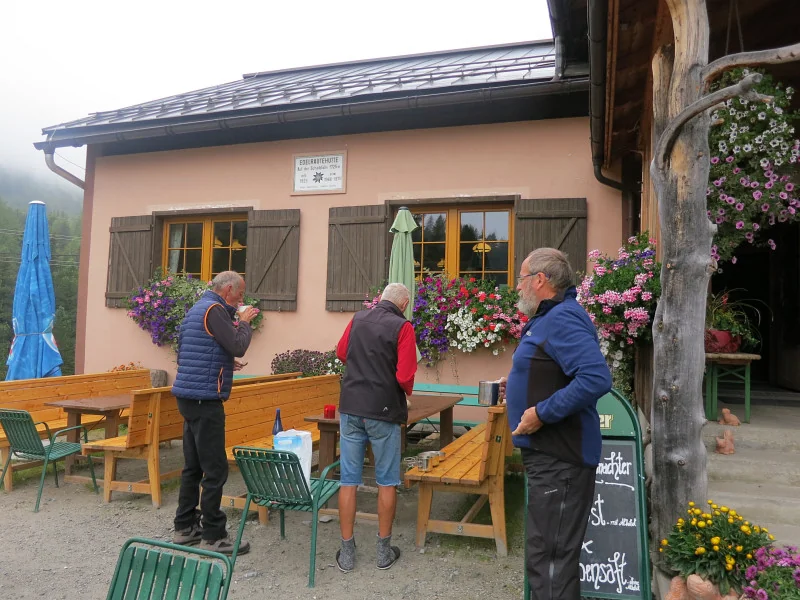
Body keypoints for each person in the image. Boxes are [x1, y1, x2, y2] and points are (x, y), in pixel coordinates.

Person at [502, 248, 612, 600]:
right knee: (548, 558)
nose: (517, 286)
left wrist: (541, 413)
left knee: (550, 562)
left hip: (560, 461)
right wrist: (519, 383)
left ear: (540, 280)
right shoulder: (551, 316)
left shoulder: (562, 317)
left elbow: (595, 378)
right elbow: (553, 369)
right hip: (552, 460)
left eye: (521, 278)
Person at [171, 270, 258, 555]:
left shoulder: (197, 308)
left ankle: (185, 527)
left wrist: (222, 361)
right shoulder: (216, 311)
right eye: (240, 295)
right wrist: (244, 323)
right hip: (205, 399)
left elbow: (187, 351)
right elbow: (238, 346)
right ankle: (213, 535)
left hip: (188, 396)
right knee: (215, 468)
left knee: (193, 467)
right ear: (228, 289)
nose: (241, 300)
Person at [334, 282, 417, 572]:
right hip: (383, 409)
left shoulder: (358, 318)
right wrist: (404, 391)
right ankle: (383, 552)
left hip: (351, 407)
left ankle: (347, 553)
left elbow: (342, 352)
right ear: (404, 304)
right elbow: (405, 375)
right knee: (386, 480)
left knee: (348, 480)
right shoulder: (403, 327)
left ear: (381, 299)